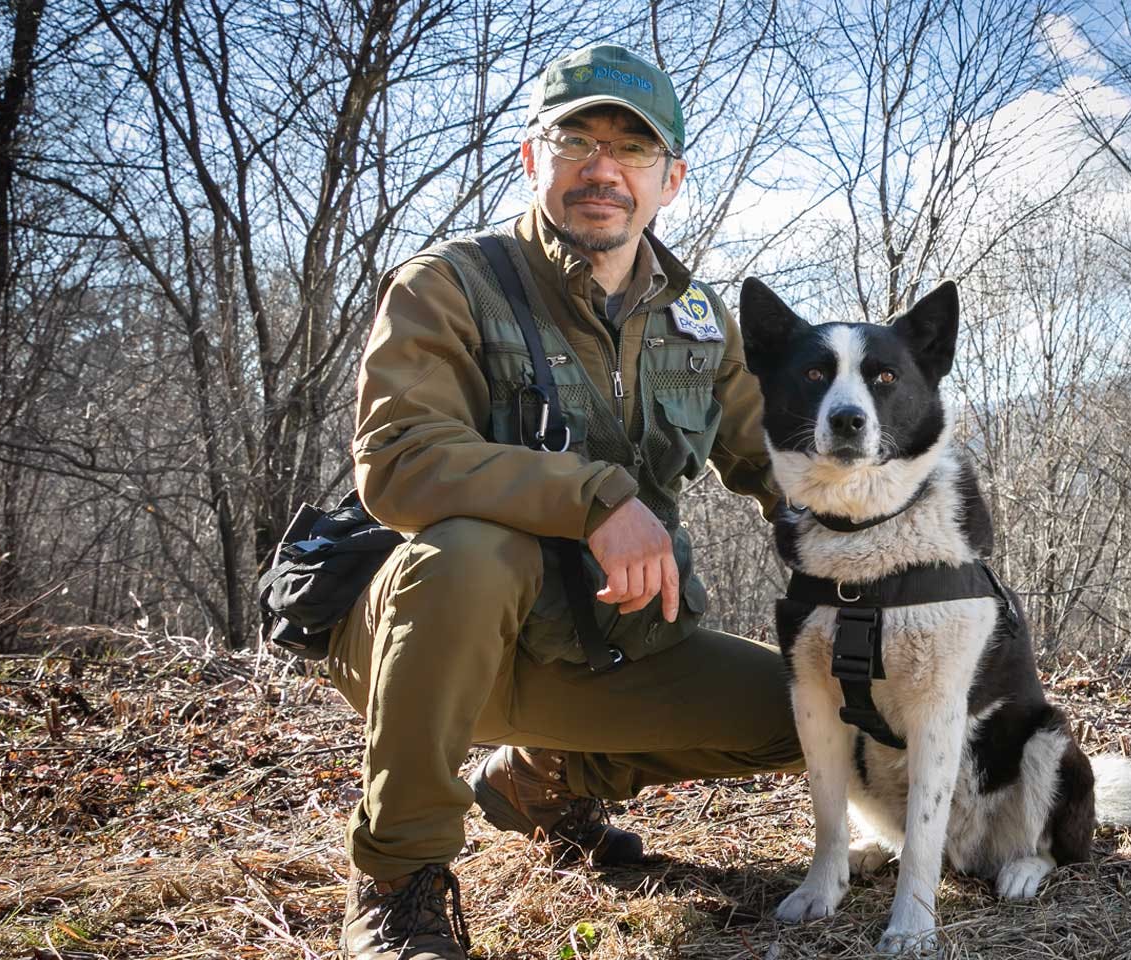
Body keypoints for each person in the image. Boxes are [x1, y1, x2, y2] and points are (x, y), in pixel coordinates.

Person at [326, 44, 803, 959]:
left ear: (672, 179)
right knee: (473, 549)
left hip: (599, 643)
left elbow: (781, 463)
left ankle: (544, 778)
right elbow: (397, 461)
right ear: (530, 158)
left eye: (632, 151)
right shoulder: (451, 283)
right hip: (434, 640)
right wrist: (595, 497)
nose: (603, 169)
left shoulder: (699, 320)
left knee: (820, 708)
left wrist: (905, 552)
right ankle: (398, 878)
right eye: (576, 140)